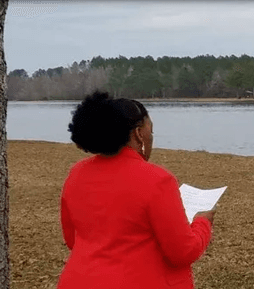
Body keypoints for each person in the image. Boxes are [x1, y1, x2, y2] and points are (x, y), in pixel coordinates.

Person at [58, 91, 214, 289]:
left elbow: (73, 239)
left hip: (78, 280)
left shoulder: (76, 173)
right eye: (151, 130)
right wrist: (203, 223)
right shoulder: (157, 180)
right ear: (139, 133)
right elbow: (183, 253)